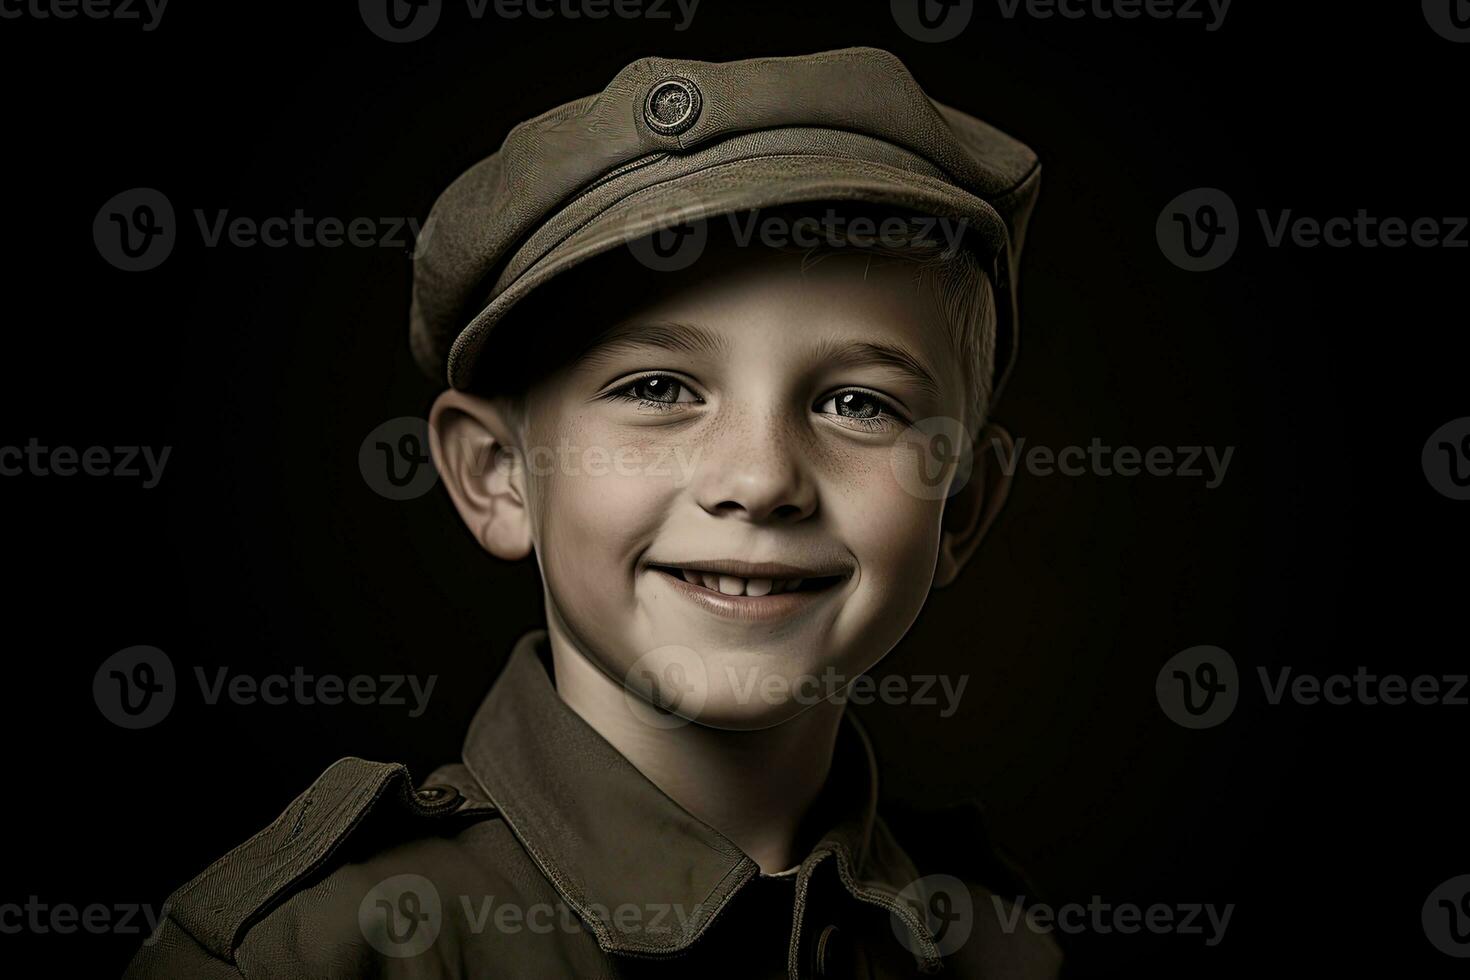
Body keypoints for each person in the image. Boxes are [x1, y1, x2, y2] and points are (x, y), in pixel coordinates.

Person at [126, 46, 1059, 979]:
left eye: (858, 404)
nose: (762, 479)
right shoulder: (314, 957)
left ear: (963, 505)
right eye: (658, 388)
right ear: (497, 474)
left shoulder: (997, 949)